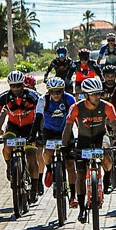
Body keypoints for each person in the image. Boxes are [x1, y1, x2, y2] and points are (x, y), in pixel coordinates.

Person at [62, 77, 116, 222]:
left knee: (106, 151)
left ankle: (107, 177)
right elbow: (68, 128)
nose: (97, 97)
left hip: (101, 136)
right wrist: (64, 146)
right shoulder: (76, 108)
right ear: (86, 95)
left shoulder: (107, 106)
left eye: (99, 94)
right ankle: (81, 208)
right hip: (83, 139)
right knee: (80, 173)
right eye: (94, 94)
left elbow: (114, 124)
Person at [0, 71, 42, 203]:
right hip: (13, 126)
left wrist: (40, 133)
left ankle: (34, 187)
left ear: (23, 84)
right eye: (12, 86)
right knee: (7, 145)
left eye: (18, 85)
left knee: (31, 156)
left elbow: (41, 115)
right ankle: (10, 165)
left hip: (30, 127)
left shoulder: (32, 96)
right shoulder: (4, 97)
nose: (15, 89)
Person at [29, 77, 78, 207]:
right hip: (49, 131)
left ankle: (73, 195)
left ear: (63, 91)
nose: (56, 95)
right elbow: (38, 118)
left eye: (58, 92)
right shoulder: (43, 100)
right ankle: (49, 169)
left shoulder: (69, 99)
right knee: (47, 153)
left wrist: (81, 135)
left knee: (70, 163)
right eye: (53, 92)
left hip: (65, 132)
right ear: (49, 92)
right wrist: (33, 137)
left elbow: (77, 118)